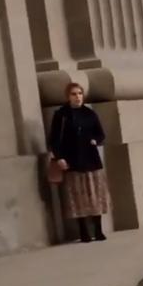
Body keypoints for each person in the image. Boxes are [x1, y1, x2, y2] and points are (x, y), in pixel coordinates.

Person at [48, 82, 110, 242]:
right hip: (72, 160)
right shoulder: (61, 115)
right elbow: (54, 140)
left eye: (80, 93)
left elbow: (101, 133)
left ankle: (98, 229)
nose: (77, 97)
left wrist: (95, 140)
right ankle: (83, 231)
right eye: (74, 94)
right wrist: (59, 157)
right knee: (77, 197)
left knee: (95, 195)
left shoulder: (89, 113)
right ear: (68, 97)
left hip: (91, 159)